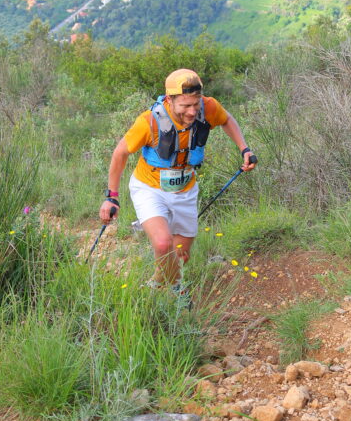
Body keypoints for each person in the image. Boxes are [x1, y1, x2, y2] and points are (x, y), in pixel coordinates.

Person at [99, 68, 256, 295]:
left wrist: (245, 149)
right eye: (185, 106)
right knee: (164, 244)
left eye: (196, 103)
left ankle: (157, 284)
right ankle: (177, 295)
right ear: (169, 99)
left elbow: (227, 120)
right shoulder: (148, 122)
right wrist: (111, 197)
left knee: (180, 254)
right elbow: (120, 153)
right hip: (149, 188)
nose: (192, 111)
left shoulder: (208, 107)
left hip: (185, 189)